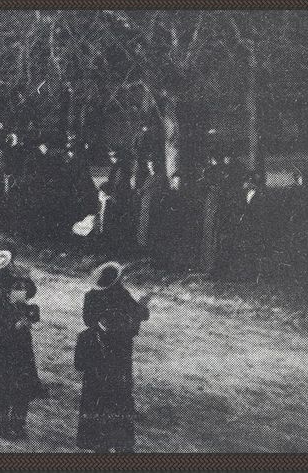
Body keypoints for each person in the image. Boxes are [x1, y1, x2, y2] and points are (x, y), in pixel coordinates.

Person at [76, 262, 151, 453]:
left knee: (97, 399)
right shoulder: (121, 294)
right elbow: (140, 317)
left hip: (98, 357)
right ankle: (121, 444)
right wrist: (142, 304)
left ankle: (98, 443)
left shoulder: (91, 296)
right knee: (119, 399)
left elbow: (88, 320)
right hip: (119, 357)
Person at [0, 278, 46, 441]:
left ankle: (18, 425)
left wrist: (30, 316)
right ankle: (4, 427)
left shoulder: (24, 306)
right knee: (3, 392)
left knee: (23, 390)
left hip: (22, 353)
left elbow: (35, 314)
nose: (22, 292)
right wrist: (14, 327)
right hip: (2, 354)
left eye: (23, 289)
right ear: (7, 291)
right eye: (17, 288)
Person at [224, 173, 273, 282]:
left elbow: (259, 213)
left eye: (246, 182)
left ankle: (254, 275)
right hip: (245, 228)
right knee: (245, 251)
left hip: (254, 228)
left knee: (254, 252)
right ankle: (245, 274)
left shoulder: (259, 196)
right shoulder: (244, 195)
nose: (243, 184)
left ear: (250, 183)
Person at [153, 173, 197, 271]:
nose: (177, 184)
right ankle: (168, 262)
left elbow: (188, 209)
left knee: (180, 242)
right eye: (176, 181)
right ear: (172, 182)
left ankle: (179, 263)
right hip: (170, 222)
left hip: (181, 222)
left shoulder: (185, 195)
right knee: (169, 241)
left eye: (179, 182)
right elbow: (164, 207)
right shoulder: (168, 194)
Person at [134, 159, 167, 255]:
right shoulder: (148, 177)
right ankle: (143, 247)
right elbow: (144, 189)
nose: (150, 167)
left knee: (152, 227)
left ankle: (151, 249)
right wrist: (139, 191)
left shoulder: (160, 177)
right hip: (145, 205)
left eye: (152, 165)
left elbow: (161, 191)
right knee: (144, 226)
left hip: (154, 205)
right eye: (149, 165)